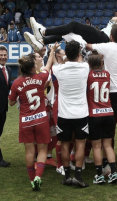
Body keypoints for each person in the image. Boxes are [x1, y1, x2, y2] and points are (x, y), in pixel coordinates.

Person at [8, 43, 58, 191]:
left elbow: (11, 103)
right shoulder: (41, 77)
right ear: (32, 68)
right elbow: (48, 65)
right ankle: (38, 177)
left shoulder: (16, 82)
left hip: (25, 121)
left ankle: (31, 180)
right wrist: (52, 51)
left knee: (30, 152)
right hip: (42, 119)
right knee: (42, 150)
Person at [86, 25, 117, 174]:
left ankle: (107, 162)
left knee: (109, 130)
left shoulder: (107, 46)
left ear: (111, 37)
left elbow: (88, 45)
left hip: (112, 93)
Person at [24, 2, 117, 51]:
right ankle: (42, 42)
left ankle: (43, 32)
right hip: (103, 37)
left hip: (105, 39)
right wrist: (114, 22)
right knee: (67, 32)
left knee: (73, 25)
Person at [52, 40, 90, 187]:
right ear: (79, 54)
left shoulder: (59, 69)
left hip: (64, 115)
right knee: (80, 144)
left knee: (65, 145)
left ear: (66, 54)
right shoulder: (85, 67)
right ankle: (78, 177)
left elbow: (53, 62)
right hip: (81, 114)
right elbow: (80, 60)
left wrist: (52, 51)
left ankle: (67, 176)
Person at [86, 51, 117, 184]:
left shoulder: (88, 76)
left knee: (96, 146)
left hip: (94, 114)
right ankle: (113, 173)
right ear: (101, 63)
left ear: (89, 64)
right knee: (108, 145)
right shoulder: (107, 74)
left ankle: (99, 175)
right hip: (109, 113)